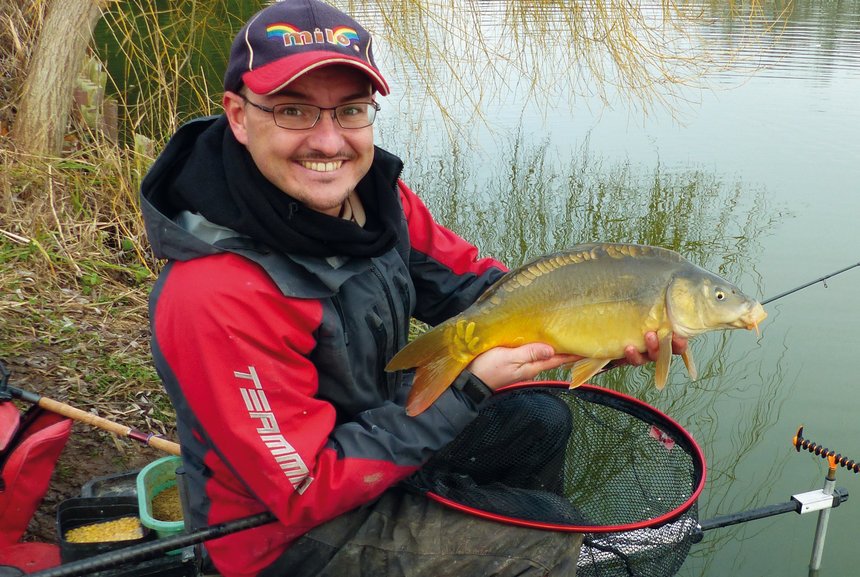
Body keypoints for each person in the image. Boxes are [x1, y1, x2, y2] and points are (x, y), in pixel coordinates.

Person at [140, 1, 686, 575]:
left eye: (350, 111)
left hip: (378, 429)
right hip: (283, 533)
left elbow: (476, 289)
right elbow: (303, 487)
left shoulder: (374, 202)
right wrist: (467, 389)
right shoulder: (214, 296)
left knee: (540, 422)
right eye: (293, 111)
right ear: (238, 115)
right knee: (544, 546)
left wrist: (595, 326)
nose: (328, 142)